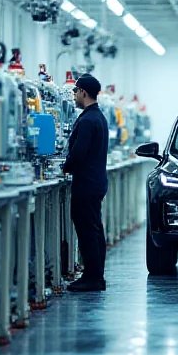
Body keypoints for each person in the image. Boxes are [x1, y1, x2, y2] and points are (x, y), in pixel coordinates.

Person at [62, 73, 109, 292]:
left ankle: (93, 278)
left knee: (87, 230)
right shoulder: (98, 117)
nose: (73, 96)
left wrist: (65, 166)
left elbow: (79, 153)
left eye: (75, 91)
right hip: (95, 181)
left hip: (87, 183)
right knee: (94, 228)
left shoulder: (88, 120)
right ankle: (96, 274)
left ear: (83, 92)